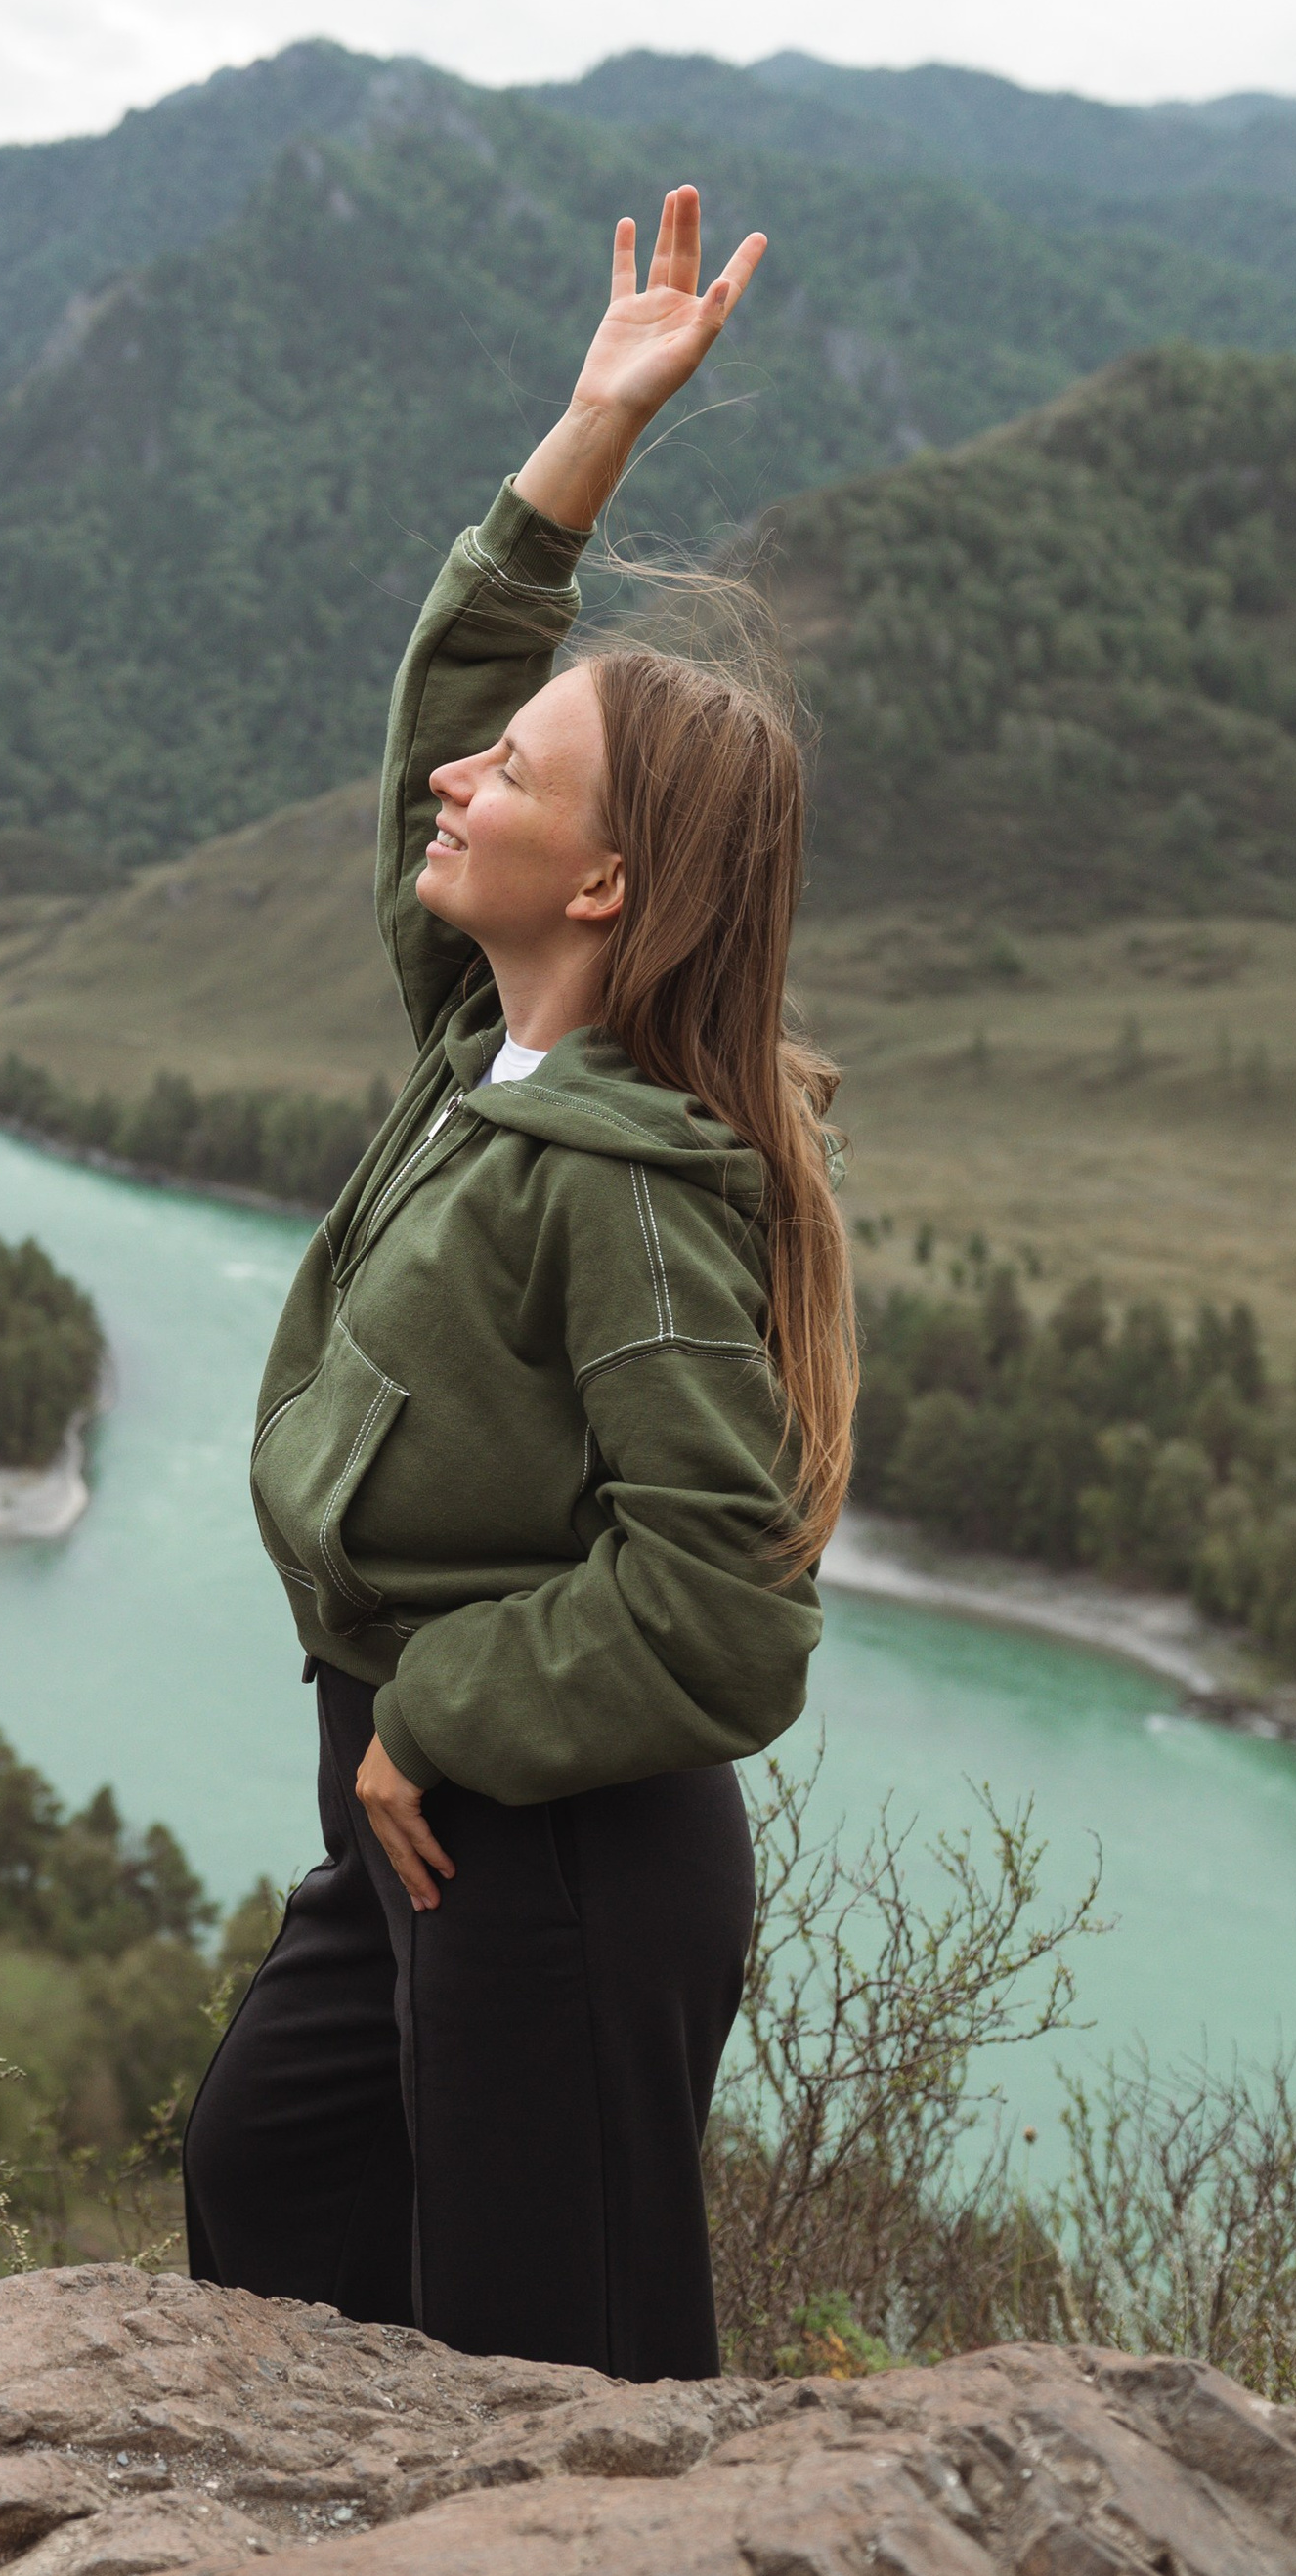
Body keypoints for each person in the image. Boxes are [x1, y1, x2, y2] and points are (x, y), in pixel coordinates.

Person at [183, 186, 855, 2381]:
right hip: (412, 1808)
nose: (455, 785)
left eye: (517, 779)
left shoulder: (633, 1185)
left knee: (548, 2373)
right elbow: (440, 704)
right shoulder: (488, 1048)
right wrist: (588, 433)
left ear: (605, 876)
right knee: (277, 2184)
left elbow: (724, 1601)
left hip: (539, 1845)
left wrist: (443, 1717)